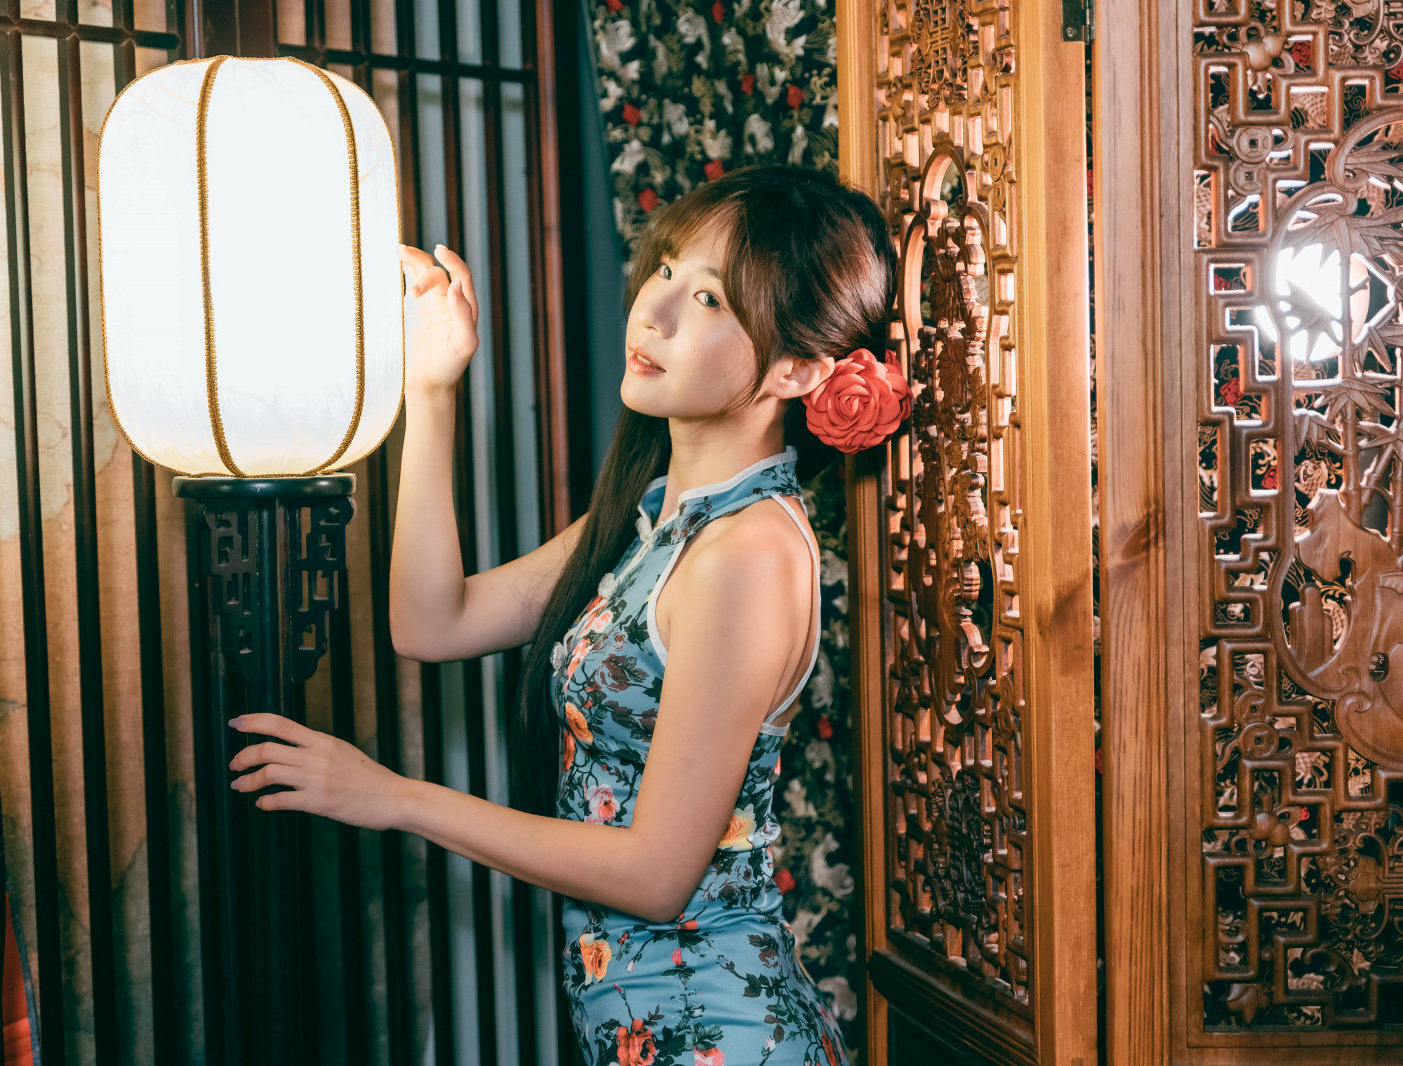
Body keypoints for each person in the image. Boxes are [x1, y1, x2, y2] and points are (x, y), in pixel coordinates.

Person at [226, 164, 909, 1064]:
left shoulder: (749, 553)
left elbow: (658, 875)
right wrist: (432, 395)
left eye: (708, 299)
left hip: (724, 1035)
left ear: (796, 369)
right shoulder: (659, 511)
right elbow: (432, 623)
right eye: (666, 269)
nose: (654, 313)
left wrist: (393, 798)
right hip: (645, 1031)